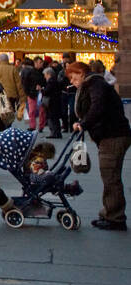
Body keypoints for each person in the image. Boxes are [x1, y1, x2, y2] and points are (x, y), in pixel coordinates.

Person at [70, 62, 131, 231]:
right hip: (112, 135)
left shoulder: (95, 84)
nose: (73, 81)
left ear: (81, 73)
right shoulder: (94, 84)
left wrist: (84, 123)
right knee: (110, 176)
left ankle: (115, 217)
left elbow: (98, 107)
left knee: (110, 177)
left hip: (113, 135)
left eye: (74, 77)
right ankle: (109, 213)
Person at [0, 53, 22, 123]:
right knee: (10, 113)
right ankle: (9, 125)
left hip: (0, 94)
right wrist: (20, 95)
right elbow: (18, 83)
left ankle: (3, 125)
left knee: (1, 112)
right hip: (12, 94)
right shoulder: (13, 69)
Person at [42, 67, 65, 139]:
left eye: (45, 74)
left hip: (52, 102)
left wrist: (42, 90)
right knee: (55, 118)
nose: (44, 76)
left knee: (52, 118)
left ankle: (54, 133)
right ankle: (57, 133)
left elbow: (47, 91)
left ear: (48, 74)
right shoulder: (55, 81)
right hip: (56, 101)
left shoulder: (50, 82)